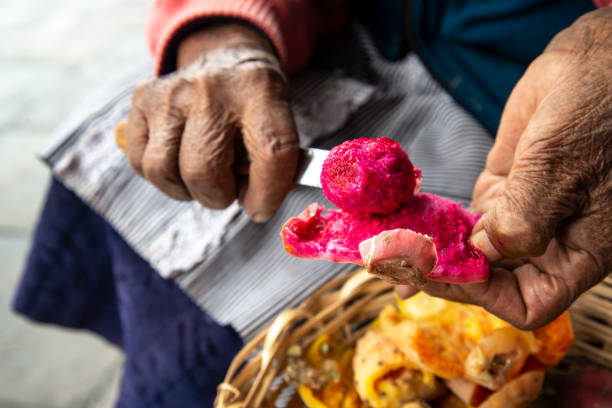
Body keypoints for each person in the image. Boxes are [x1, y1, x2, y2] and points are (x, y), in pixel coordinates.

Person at [14, 1, 610, 406]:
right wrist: (224, 30)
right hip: (347, 30)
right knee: (134, 158)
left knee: (206, 359)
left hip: (536, 102)